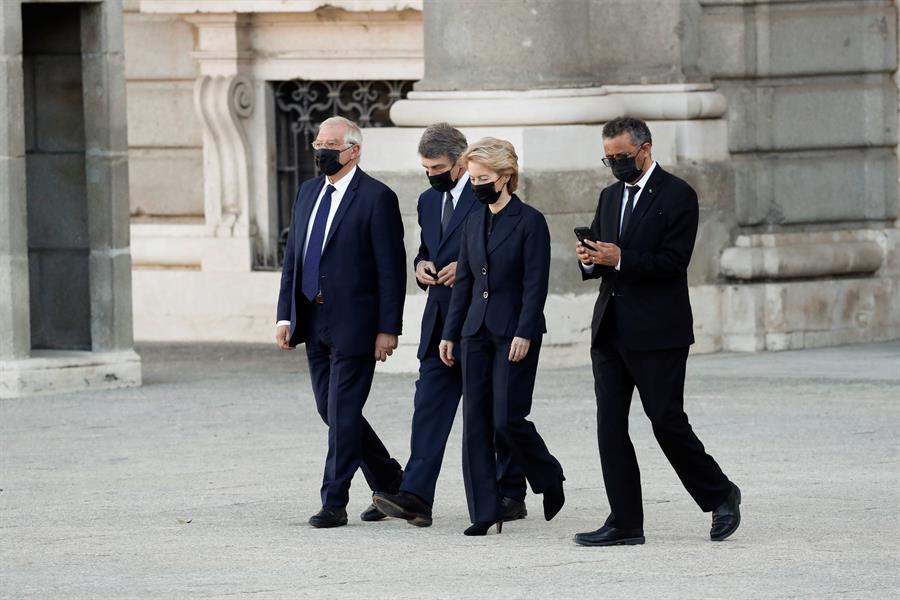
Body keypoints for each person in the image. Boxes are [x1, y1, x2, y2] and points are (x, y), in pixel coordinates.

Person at [573, 116, 741, 546]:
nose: (615, 165)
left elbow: (673, 262)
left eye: (622, 157)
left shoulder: (678, 194)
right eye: (608, 158)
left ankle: (721, 494)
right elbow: (600, 264)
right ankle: (625, 522)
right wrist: (591, 259)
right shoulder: (609, 196)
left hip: (658, 331)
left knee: (666, 421)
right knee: (609, 425)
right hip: (610, 328)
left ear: (645, 149)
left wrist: (621, 258)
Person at [374, 125, 528, 527]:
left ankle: (511, 491)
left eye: (438, 167)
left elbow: (508, 254)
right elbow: (428, 248)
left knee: (496, 412)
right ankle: (416, 496)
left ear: (461, 161)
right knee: (428, 406)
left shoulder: (489, 196)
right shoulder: (427, 201)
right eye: (425, 168)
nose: (431, 175)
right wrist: (421, 265)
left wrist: (471, 269)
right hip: (440, 320)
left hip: (485, 322)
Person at [275, 116, 406, 529]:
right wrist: (284, 315)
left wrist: (389, 328)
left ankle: (334, 501)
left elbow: (392, 269)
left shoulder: (377, 197)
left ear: (354, 150)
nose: (322, 149)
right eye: (318, 142)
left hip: (357, 323)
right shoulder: (307, 192)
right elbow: (293, 259)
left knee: (343, 411)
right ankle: (390, 478)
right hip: (313, 317)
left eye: (331, 143)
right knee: (330, 409)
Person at [439, 137, 565, 536]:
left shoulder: (530, 221)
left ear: (506, 177)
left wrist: (525, 330)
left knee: (507, 418)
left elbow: (535, 284)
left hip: (514, 332)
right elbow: (464, 283)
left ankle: (548, 475)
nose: (476, 184)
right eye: (472, 177)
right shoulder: (472, 219)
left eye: (483, 177)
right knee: (475, 421)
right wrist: (450, 333)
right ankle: (484, 510)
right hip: (474, 331)